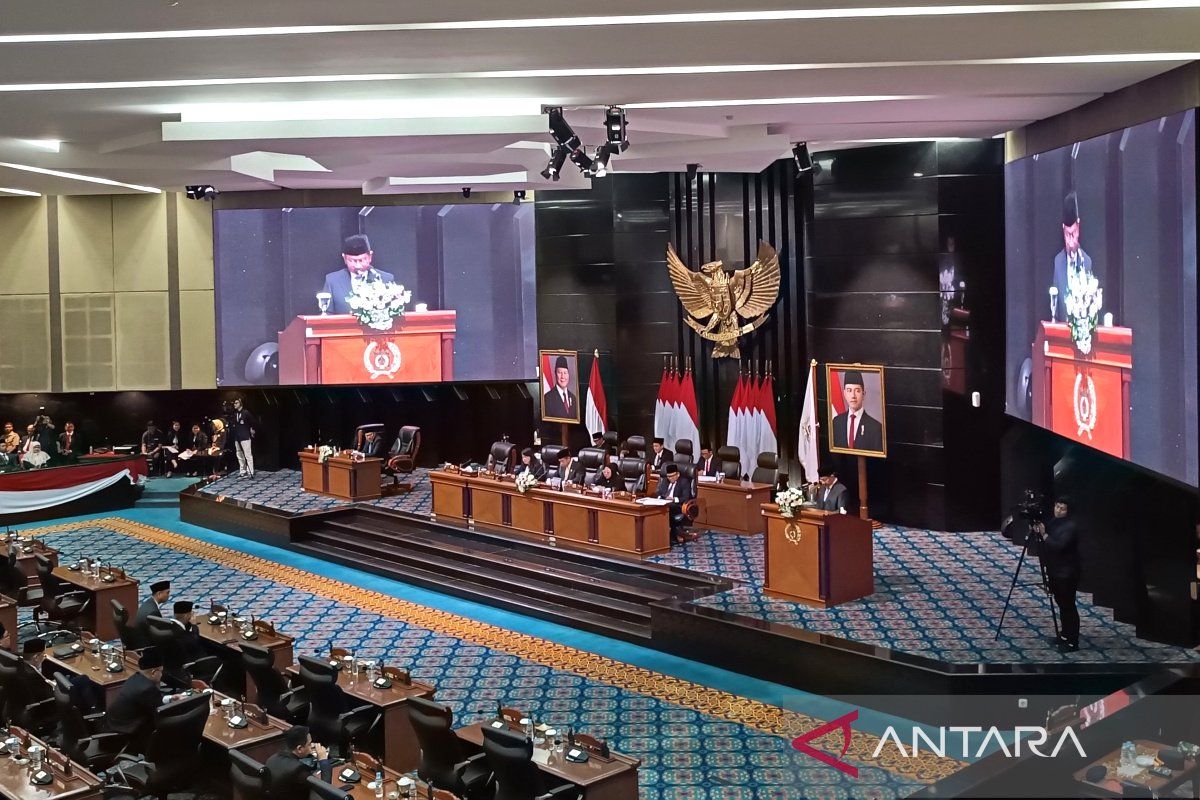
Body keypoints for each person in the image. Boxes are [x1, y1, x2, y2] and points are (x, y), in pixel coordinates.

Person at [105, 648, 183, 754]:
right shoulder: (147, 689)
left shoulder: (135, 678)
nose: (162, 674)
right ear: (153, 672)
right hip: (123, 735)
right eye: (161, 671)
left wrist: (170, 698)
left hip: (112, 726)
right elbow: (160, 714)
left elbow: (151, 702)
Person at [1032, 496, 1081, 653]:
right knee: (1061, 604)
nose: (1058, 510)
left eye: (1062, 509)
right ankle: (1065, 634)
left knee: (1068, 606)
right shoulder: (1054, 521)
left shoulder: (1071, 527)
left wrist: (1044, 535)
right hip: (1054, 570)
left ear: (1068, 511)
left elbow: (1059, 546)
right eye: (1057, 506)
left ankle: (1073, 641)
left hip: (1066, 574)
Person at [1051, 191, 1097, 323]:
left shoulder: (1086, 262)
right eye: (1067, 235)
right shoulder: (1058, 261)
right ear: (1063, 230)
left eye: (1074, 233)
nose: (1071, 241)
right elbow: (1055, 307)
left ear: (1079, 227)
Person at [321, 234, 396, 315]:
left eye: (361, 260)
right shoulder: (333, 281)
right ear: (344, 258)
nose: (358, 266)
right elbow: (326, 315)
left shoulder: (385, 279)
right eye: (352, 261)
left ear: (370, 257)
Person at [265, 725, 334, 795]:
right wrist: (323, 760)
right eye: (309, 744)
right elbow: (325, 791)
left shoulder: (272, 758)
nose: (312, 746)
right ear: (299, 749)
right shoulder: (299, 770)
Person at [831, 370, 884, 452]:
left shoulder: (875, 427)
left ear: (863, 394)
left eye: (857, 391)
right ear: (844, 393)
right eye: (849, 390)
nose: (853, 396)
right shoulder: (836, 422)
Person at [657, 463, 695, 545]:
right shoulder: (665, 481)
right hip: (664, 503)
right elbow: (659, 493)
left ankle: (672, 534)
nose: (670, 478)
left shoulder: (684, 482)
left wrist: (674, 499)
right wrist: (659, 498)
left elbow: (686, 497)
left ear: (678, 474)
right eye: (668, 476)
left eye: (672, 476)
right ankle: (660, 534)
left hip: (678, 506)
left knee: (667, 509)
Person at [542, 356, 577, 420]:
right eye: (560, 373)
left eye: (565, 373)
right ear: (555, 374)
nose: (563, 376)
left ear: (568, 375)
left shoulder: (574, 398)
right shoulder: (547, 399)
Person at [231, 398, 257, 479]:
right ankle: (242, 471)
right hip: (237, 437)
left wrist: (252, 429)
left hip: (245, 436)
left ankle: (250, 471)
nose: (234, 404)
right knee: (239, 454)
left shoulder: (246, 412)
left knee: (248, 455)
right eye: (234, 403)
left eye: (236, 403)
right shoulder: (235, 414)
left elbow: (253, 422)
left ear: (240, 403)